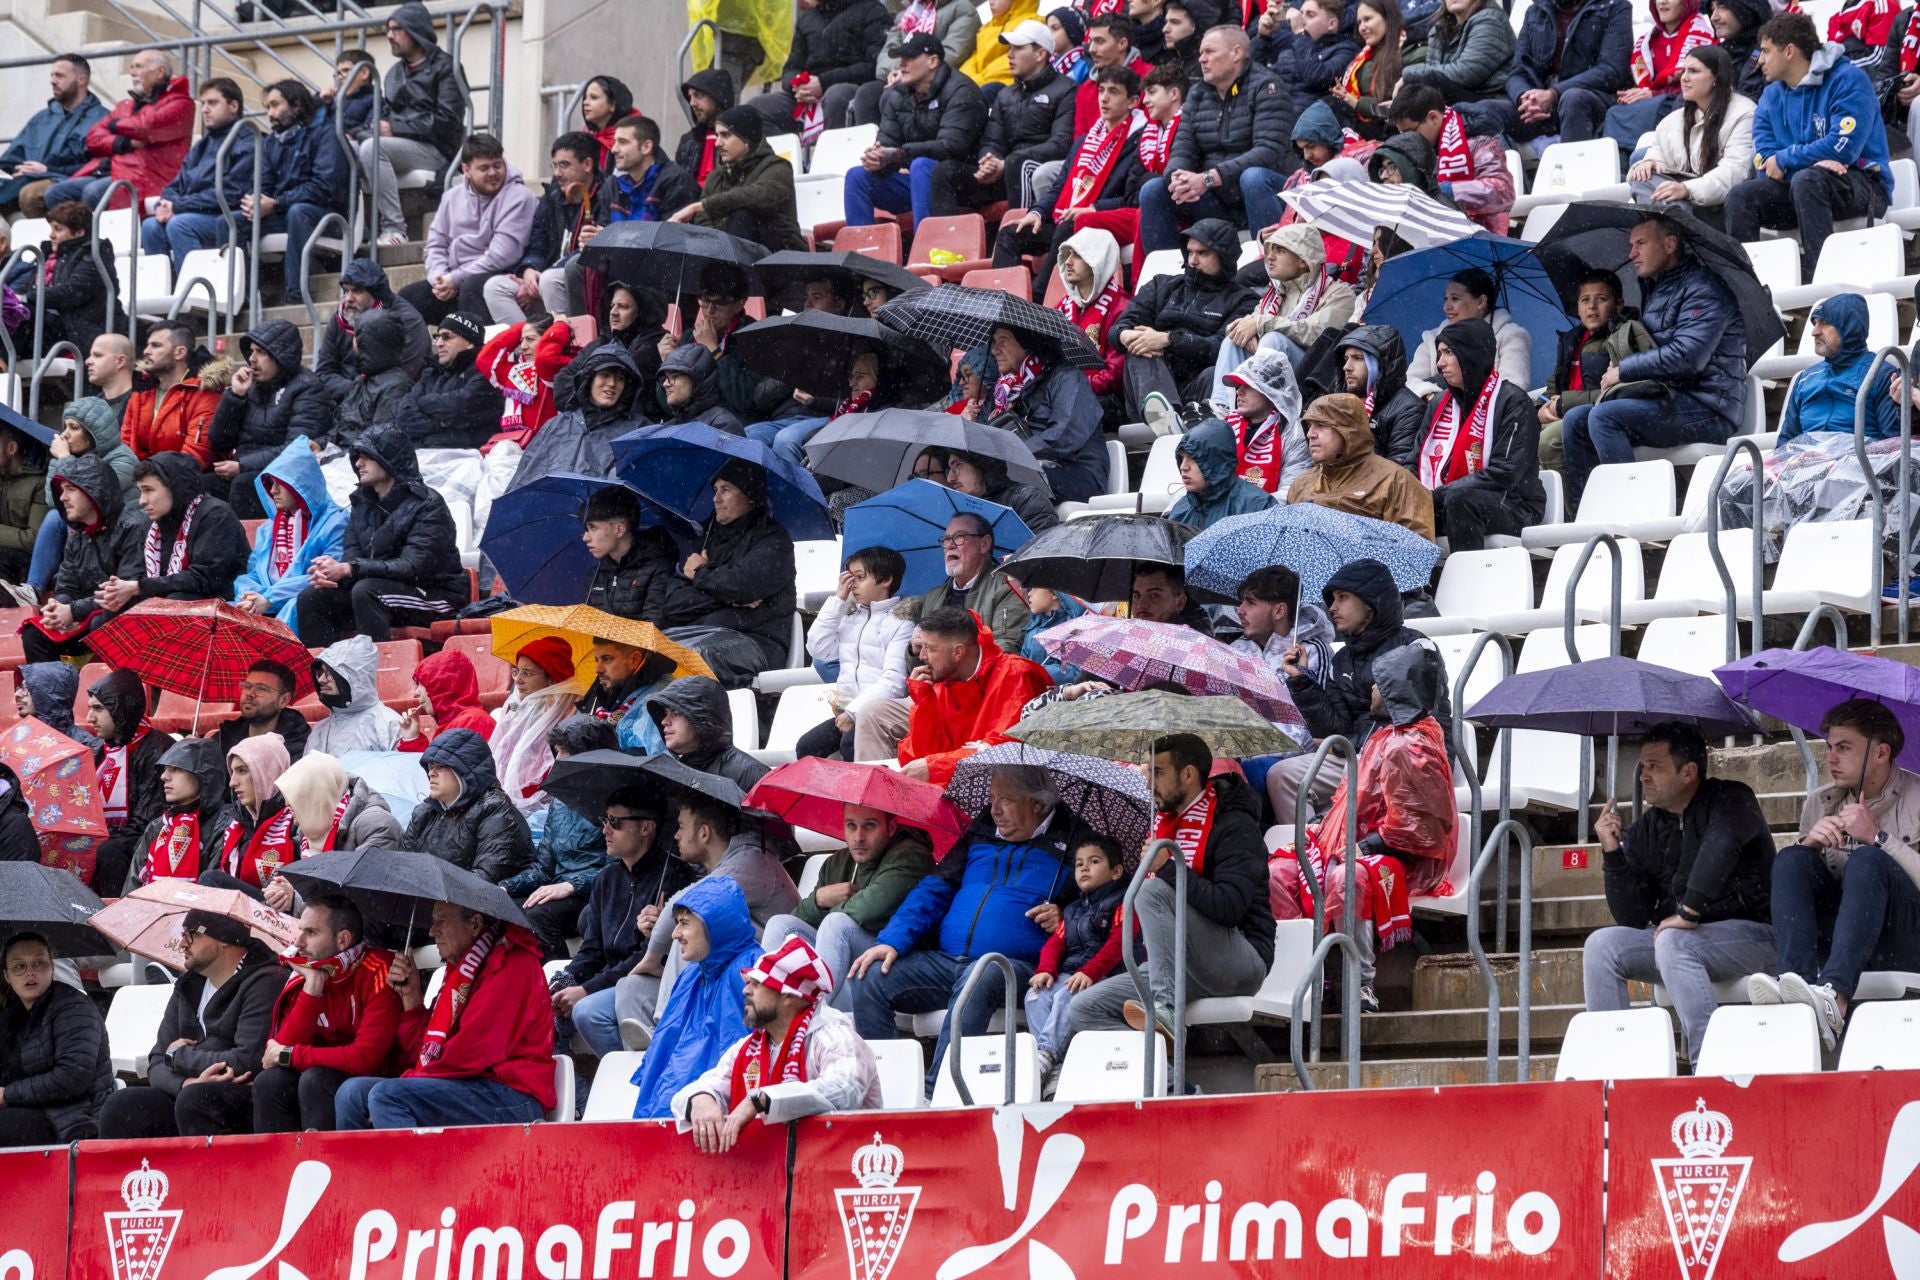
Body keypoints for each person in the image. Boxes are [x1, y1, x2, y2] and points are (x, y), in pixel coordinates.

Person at [849, 763, 1078, 1092]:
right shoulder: (981, 830)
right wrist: (892, 941)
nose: (994, 809)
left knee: (981, 973)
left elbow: (1098, 905)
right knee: (871, 976)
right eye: (992, 797)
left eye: (1006, 800)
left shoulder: (1073, 840)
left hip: (1016, 969)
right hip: (948, 961)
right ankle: (884, 1091)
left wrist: (1064, 917)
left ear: (1037, 805)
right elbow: (934, 889)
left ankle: (934, 1093)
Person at [1270, 647, 1455, 1010]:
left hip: (1401, 859)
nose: (1370, 690)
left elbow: (1421, 831)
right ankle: (1306, 977)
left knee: (1345, 879)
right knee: (1279, 873)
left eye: (1377, 684)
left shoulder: (1412, 745)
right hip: (1355, 846)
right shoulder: (1384, 736)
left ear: (1394, 690)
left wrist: (1366, 846)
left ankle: (1360, 983)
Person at [1579, 722, 1774, 1064]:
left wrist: (1688, 911)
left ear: (1688, 772)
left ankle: (1709, 1066)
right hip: (1684, 944)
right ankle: (1611, 1074)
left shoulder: (1732, 798)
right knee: (1602, 946)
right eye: (1643, 766)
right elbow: (1633, 917)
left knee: (1674, 941)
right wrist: (1613, 854)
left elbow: (1722, 844)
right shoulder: (1645, 830)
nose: (1643, 776)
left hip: (1757, 937)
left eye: (1655, 766)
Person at [1070, 733, 1272, 1039]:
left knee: (1152, 891)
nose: (1149, 783)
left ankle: (1165, 1006)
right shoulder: (1164, 825)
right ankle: (1166, 1073)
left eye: (1158, 772)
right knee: (1083, 1008)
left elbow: (1229, 908)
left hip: (1240, 961)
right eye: (1148, 772)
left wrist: (1167, 868)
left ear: (1188, 774)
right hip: (1182, 966)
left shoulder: (1235, 825)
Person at [1748, 698, 1920, 1050]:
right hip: (1846, 939)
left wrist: (1879, 838)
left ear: (1881, 753)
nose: (1831, 758)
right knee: (1792, 859)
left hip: (1905, 939)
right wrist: (1810, 844)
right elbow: (1798, 887)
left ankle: (1833, 999)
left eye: (1844, 747)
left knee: (1868, 861)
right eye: (1828, 747)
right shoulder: (1820, 802)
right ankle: (1795, 985)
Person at [1558, 214, 1747, 508]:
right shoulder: (1656, 288)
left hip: (1708, 407)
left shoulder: (1705, 288)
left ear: (1670, 244)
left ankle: (1631, 511)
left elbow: (1687, 357)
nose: (1631, 253)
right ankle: (1586, 513)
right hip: (1671, 396)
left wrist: (1625, 370)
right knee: (1574, 420)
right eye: (1631, 245)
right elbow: (1656, 348)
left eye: (1641, 243)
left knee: (1604, 417)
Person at [335, 902, 556, 1129]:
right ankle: (368, 1166)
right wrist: (411, 998)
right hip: (466, 1084)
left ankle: (413, 1166)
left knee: (387, 1096)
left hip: (513, 1095)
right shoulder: (461, 969)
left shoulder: (513, 965)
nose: (431, 930)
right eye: (433, 921)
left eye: (442, 920)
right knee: (350, 1094)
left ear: (475, 924)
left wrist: (413, 1079)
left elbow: (471, 1053)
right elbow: (424, 1054)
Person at [612, 788, 800, 1047]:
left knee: (691, 929)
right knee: (630, 988)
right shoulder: (726, 866)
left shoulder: (752, 861)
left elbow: (689, 904)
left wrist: (652, 956)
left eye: (680, 826)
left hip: (756, 977)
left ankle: (665, 1030)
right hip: (719, 973)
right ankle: (652, 1069)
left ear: (704, 833)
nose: (675, 835)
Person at [1269, 557, 1448, 823]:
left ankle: (1338, 853)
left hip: (1407, 758)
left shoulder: (1413, 647)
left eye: (1343, 598)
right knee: (1282, 775)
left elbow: (1408, 726)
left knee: (1356, 776)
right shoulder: (1343, 658)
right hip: (1358, 755)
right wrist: (1302, 680)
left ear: (1371, 603)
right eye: (1331, 599)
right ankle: (1309, 853)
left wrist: (1344, 747)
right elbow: (1336, 727)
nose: (1332, 607)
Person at [1725, 13, 1893, 279]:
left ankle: (1820, 281)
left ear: (1789, 51)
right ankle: (1747, 287)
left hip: (1865, 185)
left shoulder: (1848, 79)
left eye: (1766, 51)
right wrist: (1803, 162)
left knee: (1809, 180)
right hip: (1800, 187)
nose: (1760, 60)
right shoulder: (1770, 95)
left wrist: (1788, 160)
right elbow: (1763, 159)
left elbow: (1843, 148)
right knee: (1741, 196)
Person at [94, 906, 280, 1138]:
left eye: (191, 934)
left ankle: (212, 1174)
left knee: (196, 1100)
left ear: (223, 938)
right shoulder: (188, 985)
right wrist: (187, 1082)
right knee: (121, 1106)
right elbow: (156, 1060)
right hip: (190, 1091)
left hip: (241, 1098)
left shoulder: (265, 980)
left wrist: (179, 1057)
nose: (183, 943)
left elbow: (247, 1059)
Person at [676, 935, 881, 1144]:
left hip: (840, 1167)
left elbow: (845, 1088)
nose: (745, 990)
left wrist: (761, 1100)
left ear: (788, 996)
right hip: (770, 1171)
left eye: (757, 984)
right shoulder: (746, 1049)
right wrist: (701, 1098)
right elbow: (697, 1090)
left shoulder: (836, 1037)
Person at [295, 424, 471, 646]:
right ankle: (324, 674)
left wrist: (351, 569)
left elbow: (413, 567)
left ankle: (375, 673)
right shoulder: (362, 504)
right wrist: (335, 573)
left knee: (367, 592)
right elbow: (353, 554)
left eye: (367, 456)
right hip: (380, 590)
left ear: (390, 459)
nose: (358, 463)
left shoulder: (428, 505)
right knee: (313, 597)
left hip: (436, 596)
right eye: (357, 457)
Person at [761, 803, 938, 1012]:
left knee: (836, 924)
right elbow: (801, 917)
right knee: (781, 924)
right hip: (849, 968)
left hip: (899, 966)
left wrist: (832, 910)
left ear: (890, 828)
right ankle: (766, 1010)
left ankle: (810, 1020)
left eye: (869, 826)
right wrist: (819, 899)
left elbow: (869, 909)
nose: (858, 837)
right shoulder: (836, 863)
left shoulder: (911, 855)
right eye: (851, 826)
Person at [252, 896, 399, 1133]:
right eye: (299, 930)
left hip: (372, 1077)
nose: (297, 942)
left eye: (310, 932)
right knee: (270, 1083)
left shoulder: (379, 968)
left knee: (316, 1080)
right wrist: (312, 988)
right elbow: (274, 1053)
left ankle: (325, 1164)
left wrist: (291, 1055)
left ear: (343, 939)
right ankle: (276, 1167)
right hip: (319, 1070)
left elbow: (365, 1058)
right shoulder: (306, 969)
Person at [1139, 26, 1292, 252]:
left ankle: (1270, 269)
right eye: (1201, 53)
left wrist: (1209, 178)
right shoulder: (1197, 93)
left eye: (1209, 52)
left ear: (1236, 53)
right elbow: (1183, 149)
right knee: (1154, 190)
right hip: (1217, 201)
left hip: (1264, 193)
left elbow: (1269, 153)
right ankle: (1165, 280)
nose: (1202, 59)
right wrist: (1178, 177)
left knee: (1253, 177)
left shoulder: (1268, 87)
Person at [988, 63, 1148, 270]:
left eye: (1114, 92)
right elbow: (1060, 187)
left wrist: (1094, 208)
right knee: (1011, 234)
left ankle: (1038, 298)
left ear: (1133, 102)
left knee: (1067, 229)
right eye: (1101, 90)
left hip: (1099, 223)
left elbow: (1131, 198)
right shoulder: (1084, 141)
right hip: (1066, 219)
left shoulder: (1140, 142)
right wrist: (1037, 212)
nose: (1104, 98)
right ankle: (1003, 296)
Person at [628, 876, 761, 1116]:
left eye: (685, 923)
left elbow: (748, 1064)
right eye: (677, 923)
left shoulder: (749, 971)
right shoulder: (692, 974)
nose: (675, 934)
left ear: (714, 924)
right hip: (671, 1118)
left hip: (711, 1124)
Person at [656, 462, 798, 687]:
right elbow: (673, 602)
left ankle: (700, 721)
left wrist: (701, 572)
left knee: (700, 656)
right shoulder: (704, 537)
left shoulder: (774, 541)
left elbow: (742, 585)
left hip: (756, 641)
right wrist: (728, 597)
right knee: (648, 654)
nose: (716, 498)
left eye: (726, 489)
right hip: (698, 632)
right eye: (715, 490)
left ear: (750, 496)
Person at [1417, 317, 1545, 553]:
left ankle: (1469, 583)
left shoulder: (1514, 402)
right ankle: (1413, 588)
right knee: (1397, 505)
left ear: (1470, 355)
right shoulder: (1438, 404)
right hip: (1447, 499)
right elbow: (1414, 460)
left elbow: (1505, 473)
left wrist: (1440, 495)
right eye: (1439, 353)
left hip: (1514, 504)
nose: (1439, 363)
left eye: (1448, 353)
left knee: (1461, 500)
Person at [1113, 218, 1256, 426]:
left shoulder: (1243, 300)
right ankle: (1166, 419)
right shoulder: (1161, 285)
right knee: (1140, 349)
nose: (1193, 261)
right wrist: (1125, 335)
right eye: (1190, 252)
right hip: (1148, 391)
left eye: (1203, 253)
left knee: (1218, 371)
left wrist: (1169, 339)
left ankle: (1175, 420)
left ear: (1224, 257)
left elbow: (1220, 347)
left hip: (1199, 391)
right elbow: (1120, 326)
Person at [929, 20, 1076, 215]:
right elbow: (992, 141)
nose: (1009, 54)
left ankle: (1019, 238)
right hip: (1005, 175)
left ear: (1040, 54)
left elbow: (1061, 144)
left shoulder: (1068, 89)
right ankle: (946, 241)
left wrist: (1006, 164)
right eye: (1009, 48)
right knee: (944, 172)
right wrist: (989, 161)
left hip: (1040, 172)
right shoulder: (1006, 94)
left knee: (1017, 163)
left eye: (1018, 48)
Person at [845, 32, 989, 229]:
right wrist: (878, 158)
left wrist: (899, 155)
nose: (902, 64)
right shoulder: (897, 95)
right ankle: (862, 255)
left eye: (910, 57)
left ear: (932, 61)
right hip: (920, 180)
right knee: (857, 177)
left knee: (921, 166)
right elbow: (888, 144)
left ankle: (927, 248)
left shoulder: (962, 91)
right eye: (900, 58)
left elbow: (952, 147)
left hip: (963, 182)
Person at [894, 606, 1053, 783]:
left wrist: (935, 767)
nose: (922, 656)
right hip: (959, 791)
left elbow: (1003, 752)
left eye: (930, 648)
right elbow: (915, 759)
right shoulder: (941, 684)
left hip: (1008, 794)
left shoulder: (1016, 674)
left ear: (958, 652)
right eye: (921, 647)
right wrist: (923, 702)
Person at [504, 717, 620, 959]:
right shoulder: (560, 802)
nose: (558, 761)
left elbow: (621, 868)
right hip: (557, 888)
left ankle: (556, 984)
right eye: (557, 753)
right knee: (504, 908)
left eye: (565, 753)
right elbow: (543, 867)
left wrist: (571, 885)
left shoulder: (617, 801)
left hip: (592, 894)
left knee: (536, 916)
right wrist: (504, 887)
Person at [398, 136, 538, 329]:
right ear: (466, 170)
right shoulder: (451, 197)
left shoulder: (520, 197)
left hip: (499, 277)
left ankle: (474, 355)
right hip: (456, 281)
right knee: (408, 298)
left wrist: (455, 279)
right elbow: (435, 245)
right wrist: (439, 279)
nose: (493, 173)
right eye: (484, 168)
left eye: (497, 165)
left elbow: (502, 255)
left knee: (471, 287)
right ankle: (418, 357)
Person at [358, 2, 467, 246]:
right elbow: (385, 116)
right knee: (352, 148)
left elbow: (448, 122)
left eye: (397, 29)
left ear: (416, 30)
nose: (389, 35)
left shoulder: (447, 67)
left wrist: (394, 128)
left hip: (438, 150)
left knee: (371, 148)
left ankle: (395, 228)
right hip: (401, 149)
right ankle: (357, 231)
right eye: (388, 29)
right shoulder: (394, 73)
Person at [18, 456, 143, 664]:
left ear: (93, 491)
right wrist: (58, 608)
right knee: (35, 634)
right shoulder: (79, 535)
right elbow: (67, 586)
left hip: (125, 622)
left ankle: (110, 694)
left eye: (71, 489)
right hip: (87, 618)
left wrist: (73, 611)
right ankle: (51, 692)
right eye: (62, 490)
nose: (63, 497)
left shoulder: (133, 527)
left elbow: (125, 595)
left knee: (101, 623)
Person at [965, 323, 1108, 504]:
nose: (995, 350)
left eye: (1003, 341)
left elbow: (1063, 437)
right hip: (1024, 468)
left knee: (999, 483)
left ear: (1027, 343)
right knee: (965, 482)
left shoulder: (1067, 377)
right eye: (993, 342)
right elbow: (983, 445)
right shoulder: (1002, 391)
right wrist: (971, 424)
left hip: (1077, 474)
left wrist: (1009, 455)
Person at [1025, 834, 1130, 1080]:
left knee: (1066, 996)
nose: (1084, 867)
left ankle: (1047, 1056)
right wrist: (1046, 970)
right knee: (1035, 995)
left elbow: (1118, 944)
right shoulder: (1072, 909)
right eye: (1079, 863)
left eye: (1094, 861)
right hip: (1076, 975)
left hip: (1110, 976)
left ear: (1116, 872)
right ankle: (1053, 1074)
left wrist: (1090, 972)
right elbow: (1055, 943)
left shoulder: (1126, 900)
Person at [1214, 223, 1355, 404]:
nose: (1269, 257)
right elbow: (1250, 322)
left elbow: (1316, 334)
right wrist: (1245, 330)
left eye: (1280, 251)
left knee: (1274, 338)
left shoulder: (1340, 294)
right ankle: (1222, 406)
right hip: (1276, 370)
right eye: (1270, 250)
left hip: (1312, 375)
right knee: (1233, 341)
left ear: (1303, 260)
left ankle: (1261, 404)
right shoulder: (1276, 293)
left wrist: (1263, 324)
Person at [0, 931, 115, 1145]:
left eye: (39, 964)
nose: (30, 973)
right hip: (30, 1111)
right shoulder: (11, 1018)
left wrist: (8, 1095)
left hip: (74, 1116)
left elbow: (72, 1077)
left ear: (52, 967)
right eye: (19, 966)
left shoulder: (74, 1007)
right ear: (7, 976)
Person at [43, 49, 192, 214]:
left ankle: (95, 239)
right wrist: (123, 142)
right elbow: (93, 138)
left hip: (149, 176)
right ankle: (77, 237)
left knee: (93, 192)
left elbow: (146, 127)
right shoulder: (125, 105)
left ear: (160, 72)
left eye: (139, 67)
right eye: (131, 67)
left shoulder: (182, 104)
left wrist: (114, 125)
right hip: (114, 170)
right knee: (55, 193)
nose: (132, 72)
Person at [211, 322, 334, 521]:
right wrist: (235, 396)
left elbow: (297, 449)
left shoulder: (308, 388)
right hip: (244, 469)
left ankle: (246, 550)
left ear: (280, 356)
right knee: (194, 485)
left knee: (244, 484)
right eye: (251, 351)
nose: (252, 359)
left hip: (282, 475)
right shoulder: (251, 386)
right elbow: (219, 441)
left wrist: (242, 466)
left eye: (260, 352)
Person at [800, 545, 913, 761]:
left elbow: (894, 682)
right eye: (850, 578)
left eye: (860, 578)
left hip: (878, 713)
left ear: (886, 579)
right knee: (807, 746)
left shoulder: (902, 622)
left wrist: (854, 712)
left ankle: (853, 794)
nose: (853, 586)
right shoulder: (850, 616)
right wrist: (838, 600)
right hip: (846, 709)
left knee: (849, 742)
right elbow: (817, 648)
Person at [1537, 270, 1655, 471]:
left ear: (1618, 304)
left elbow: (1626, 391)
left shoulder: (1623, 336)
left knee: (1549, 441)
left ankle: (1575, 503)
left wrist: (1566, 404)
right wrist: (1541, 409)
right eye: (1585, 300)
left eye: (1601, 299)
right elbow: (1554, 387)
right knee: (1518, 435)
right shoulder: (1571, 340)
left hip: (1595, 416)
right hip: (1564, 413)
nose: (1591, 307)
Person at [1628, 45, 1758, 225]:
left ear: (1716, 78)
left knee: (1667, 202)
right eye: (1683, 71)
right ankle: (1677, 230)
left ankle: (1675, 232)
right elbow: (1657, 156)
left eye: (1694, 71)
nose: (1684, 78)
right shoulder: (1672, 120)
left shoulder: (1744, 113)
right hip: (1681, 203)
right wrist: (1648, 163)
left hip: (1719, 204)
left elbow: (1735, 172)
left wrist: (1687, 189)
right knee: (1643, 177)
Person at [248, 79, 349, 307]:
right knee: (232, 221)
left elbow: (325, 187)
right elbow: (263, 182)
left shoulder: (325, 135)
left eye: (275, 105)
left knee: (298, 212)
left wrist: (276, 203)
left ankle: (296, 296)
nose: (270, 113)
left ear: (297, 106)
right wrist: (255, 200)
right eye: (267, 107)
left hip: (328, 216)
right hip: (284, 210)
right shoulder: (271, 143)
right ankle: (246, 299)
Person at [136, 77, 253, 272]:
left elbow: (231, 194)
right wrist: (165, 204)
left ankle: (199, 293)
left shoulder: (247, 141)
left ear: (234, 106)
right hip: (195, 212)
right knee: (150, 227)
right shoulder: (202, 146)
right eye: (204, 103)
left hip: (224, 216)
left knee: (180, 225)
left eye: (213, 103)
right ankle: (168, 291)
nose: (205, 109)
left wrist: (178, 206)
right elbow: (175, 185)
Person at [481, 131, 599, 324]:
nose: (557, 174)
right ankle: (526, 347)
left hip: (573, 285)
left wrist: (541, 277)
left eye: (564, 165)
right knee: (495, 287)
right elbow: (537, 244)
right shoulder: (551, 198)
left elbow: (584, 254)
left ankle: (563, 343)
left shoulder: (601, 196)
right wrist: (529, 271)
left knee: (549, 280)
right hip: (544, 281)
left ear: (587, 165)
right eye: (555, 166)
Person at [231, 439, 347, 632]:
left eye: (280, 484)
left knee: (297, 605)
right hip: (263, 602)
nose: (273, 491)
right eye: (270, 483)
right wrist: (250, 596)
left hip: (306, 605)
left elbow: (323, 577)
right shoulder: (268, 528)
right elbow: (252, 573)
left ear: (300, 484)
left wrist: (270, 598)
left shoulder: (336, 521)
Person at [112, 453, 249, 612]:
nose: (142, 501)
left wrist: (139, 586)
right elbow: (137, 572)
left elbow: (203, 579)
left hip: (223, 603)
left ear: (174, 487)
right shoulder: (153, 523)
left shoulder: (216, 515)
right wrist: (118, 590)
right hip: (173, 598)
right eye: (140, 491)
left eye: (149, 490)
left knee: (175, 602)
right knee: (114, 609)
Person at [1286, 394, 1436, 539]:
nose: (1310, 434)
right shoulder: (1300, 485)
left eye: (1321, 425)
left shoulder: (1397, 481)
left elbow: (1415, 548)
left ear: (1349, 430)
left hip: (1373, 563)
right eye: (1310, 426)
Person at [84, 668, 175, 894]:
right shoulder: (97, 750)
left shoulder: (158, 748)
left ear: (121, 710)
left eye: (98, 709)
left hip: (144, 838)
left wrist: (102, 836)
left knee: (109, 851)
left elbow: (147, 821)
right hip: (110, 835)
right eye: (89, 709)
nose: (89, 718)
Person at [671, 108, 809, 253]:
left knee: (741, 216)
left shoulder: (778, 167)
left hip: (781, 256)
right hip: (732, 257)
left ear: (746, 139)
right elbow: (704, 221)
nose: (717, 143)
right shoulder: (715, 177)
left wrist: (700, 206)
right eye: (717, 135)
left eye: (725, 135)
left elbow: (756, 196)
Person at [406, 728, 534, 882]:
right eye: (431, 766)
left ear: (465, 771)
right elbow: (402, 867)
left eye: (440, 766)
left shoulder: (496, 811)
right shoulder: (423, 813)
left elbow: (485, 880)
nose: (431, 773)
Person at [1385, 85, 1516, 234]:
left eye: (1410, 132)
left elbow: (1503, 191)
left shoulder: (1479, 140)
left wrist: (1447, 191)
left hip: (1483, 235)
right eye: (1402, 135)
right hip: (1438, 233)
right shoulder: (1416, 149)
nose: (1407, 140)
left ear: (1433, 117)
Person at [751, 0, 891, 137]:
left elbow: (873, 66)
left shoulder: (872, 10)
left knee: (835, 95)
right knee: (758, 108)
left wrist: (823, 83)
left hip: (852, 89)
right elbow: (791, 68)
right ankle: (781, 160)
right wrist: (798, 85)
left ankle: (833, 158)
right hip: (807, 96)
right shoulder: (808, 18)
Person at [1502, 0, 1635, 143]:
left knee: (1572, 99)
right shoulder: (1535, 11)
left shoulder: (1615, 6)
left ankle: (1574, 165)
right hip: (1541, 108)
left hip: (1593, 100)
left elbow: (1611, 71)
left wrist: (1554, 94)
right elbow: (1517, 72)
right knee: (1485, 112)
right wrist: (1525, 98)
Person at [1778, 293, 1900, 445]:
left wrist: (1834, 457)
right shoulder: (1805, 378)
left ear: (1849, 327)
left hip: (1859, 466)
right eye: (1814, 323)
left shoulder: (1882, 375)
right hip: (1805, 466)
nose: (1814, 332)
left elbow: (1893, 446)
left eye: (1824, 323)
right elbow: (1784, 443)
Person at [1604, 0, 1720, 156]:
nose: (1662, 2)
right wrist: (1635, 94)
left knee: (1635, 112)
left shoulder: (1703, 36)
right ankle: (1619, 163)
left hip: (1681, 102)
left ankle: (1636, 160)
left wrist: (1654, 94)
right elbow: (1643, 83)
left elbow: (1698, 83)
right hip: (1652, 102)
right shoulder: (1647, 41)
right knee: (1616, 111)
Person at [0, 54, 106, 218]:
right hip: (25, 179)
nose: (52, 81)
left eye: (60, 76)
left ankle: (43, 242)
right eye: (52, 75)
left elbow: (99, 166)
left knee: (31, 195)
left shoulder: (101, 119)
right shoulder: (42, 118)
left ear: (81, 80)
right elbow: (11, 157)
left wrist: (47, 171)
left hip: (64, 181)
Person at [489, 635, 580, 824]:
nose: (518, 680)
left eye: (527, 673)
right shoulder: (515, 707)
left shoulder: (568, 721)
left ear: (550, 679)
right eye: (516, 671)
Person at [1403, 268, 1533, 399]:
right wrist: (1434, 397)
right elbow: (1409, 383)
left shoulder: (1510, 336)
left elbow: (1513, 391)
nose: (1446, 306)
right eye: (1445, 298)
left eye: (1455, 299)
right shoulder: (1432, 339)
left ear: (1481, 302)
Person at [315, 259, 432, 404]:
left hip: (393, 404)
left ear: (377, 293)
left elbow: (400, 379)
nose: (348, 299)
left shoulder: (407, 322)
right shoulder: (341, 318)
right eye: (346, 291)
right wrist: (353, 390)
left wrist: (355, 391)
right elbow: (323, 373)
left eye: (357, 291)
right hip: (346, 399)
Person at [388, 312, 505, 449]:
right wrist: (440, 424)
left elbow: (460, 407)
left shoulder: (487, 372)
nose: (438, 343)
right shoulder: (432, 371)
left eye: (447, 337)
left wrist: (423, 404)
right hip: (427, 451)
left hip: (466, 459)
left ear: (470, 342)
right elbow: (403, 417)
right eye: (437, 337)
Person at [127, 737, 232, 888]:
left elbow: (212, 894)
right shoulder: (158, 826)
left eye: (176, 769)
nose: (164, 776)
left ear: (204, 776)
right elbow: (132, 889)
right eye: (164, 769)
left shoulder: (225, 825)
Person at [1399, 0, 1516, 134]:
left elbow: (1465, 73)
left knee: (1431, 80)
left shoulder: (1490, 19)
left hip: (1492, 101)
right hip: (1459, 98)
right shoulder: (1439, 27)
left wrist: (1408, 74)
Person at [29, 200, 120, 362]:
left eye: (58, 229)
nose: (51, 235)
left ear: (79, 232)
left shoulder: (94, 253)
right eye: (51, 228)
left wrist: (26, 297)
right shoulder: (48, 255)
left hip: (81, 331)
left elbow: (72, 291)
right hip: (54, 329)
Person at [648, 674, 772, 793]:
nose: (664, 721)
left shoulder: (750, 773)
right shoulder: (673, 774)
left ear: (703, 719)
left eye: (675, 713)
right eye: (665, 713)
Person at [1335, 325, 1432, 470]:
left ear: (1379, 365)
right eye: (1346, 359)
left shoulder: (1409, 409)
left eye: (1357, 358)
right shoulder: (1340, 402)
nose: (1347, 367)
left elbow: (1398, 474)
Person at [122, 322, 220, 465]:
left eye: (155, 345)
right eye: (147, 345)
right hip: (142, 478)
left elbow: (196, 455)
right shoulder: (142, 389)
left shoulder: (204, 391)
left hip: (183, 480)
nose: (146, 351)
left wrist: (150, 477)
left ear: (179, 352)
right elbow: (126, 446)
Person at [588, 115, 700, 233]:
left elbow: (670, 241)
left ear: (646, 147)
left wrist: (612, 238)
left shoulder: (676, 181)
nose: (614, 149)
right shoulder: (612, 185)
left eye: (622, 142)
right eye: (614, 142)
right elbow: (604, 228)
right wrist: (595, 239)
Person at [278, 750, 405, 853]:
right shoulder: (309, 828)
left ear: (317, 795)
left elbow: (367, 881)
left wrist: (296, 886)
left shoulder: (376, 825)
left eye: (296, 795)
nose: (287, 804)